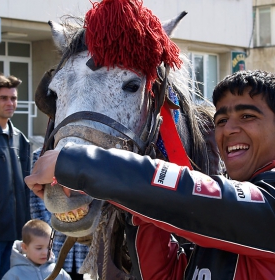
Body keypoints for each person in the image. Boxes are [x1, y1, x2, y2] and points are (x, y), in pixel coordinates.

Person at [25, 69, 275, 279]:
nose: (229, 129)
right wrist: (137, 198)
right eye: (220, 120)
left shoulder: (254, 203)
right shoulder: (218, 226)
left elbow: (201, 197)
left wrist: (79, 163)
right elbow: (162, 274)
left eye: (247, 116)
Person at [30, 147, 89, 280]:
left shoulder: (88, 154)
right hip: (55, 244)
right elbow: (37, 205)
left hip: (86, 245)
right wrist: (48, 236)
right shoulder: (40, 155)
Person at [0, 75, 31, 280]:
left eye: (13, 98)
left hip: (16, 233)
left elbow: (27, 185)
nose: (10, 103)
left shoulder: (20, 138)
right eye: (3, 98)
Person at [2, 219, 71, 280]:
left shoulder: (59, 272)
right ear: (25, 247)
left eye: (49, 247)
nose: (45, 252)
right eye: (39, 248)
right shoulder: (14, 275)